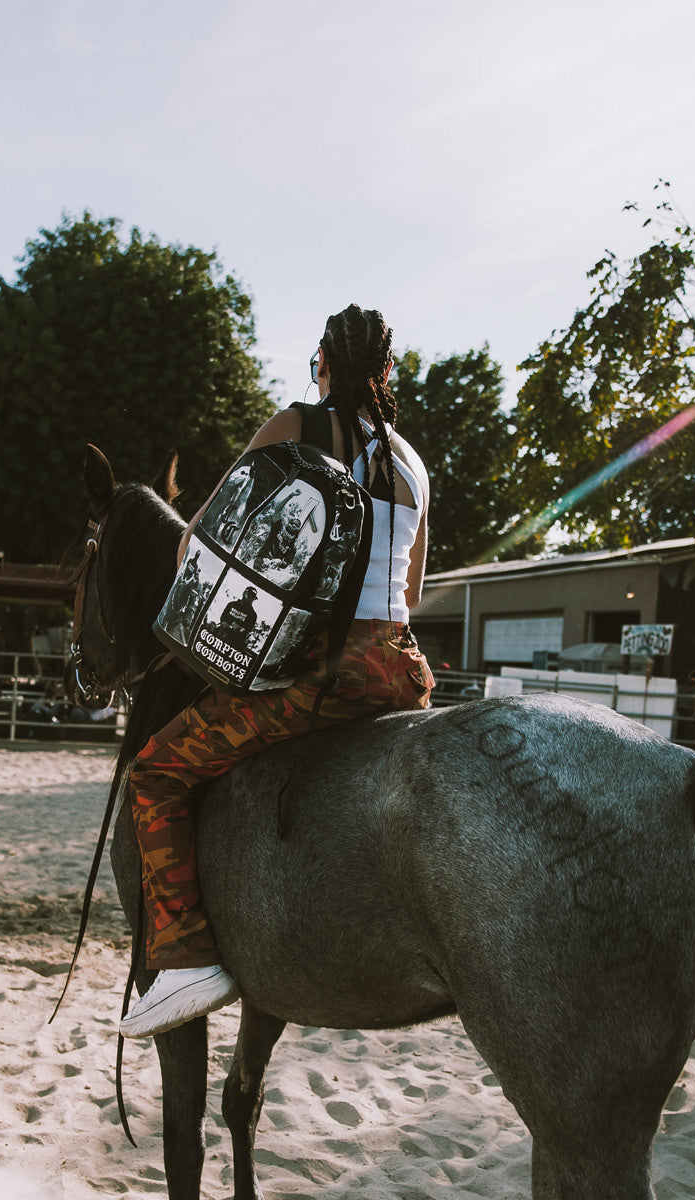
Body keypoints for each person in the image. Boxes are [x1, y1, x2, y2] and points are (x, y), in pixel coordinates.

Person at [120, 304, 435, 1038]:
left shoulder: (297, 424)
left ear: (322, 363)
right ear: (388, 371)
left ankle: (186, 957)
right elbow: (412, 593)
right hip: (402, 669)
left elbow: (197, 542)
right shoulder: (413, 463)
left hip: (325, 673)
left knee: (156, 773)